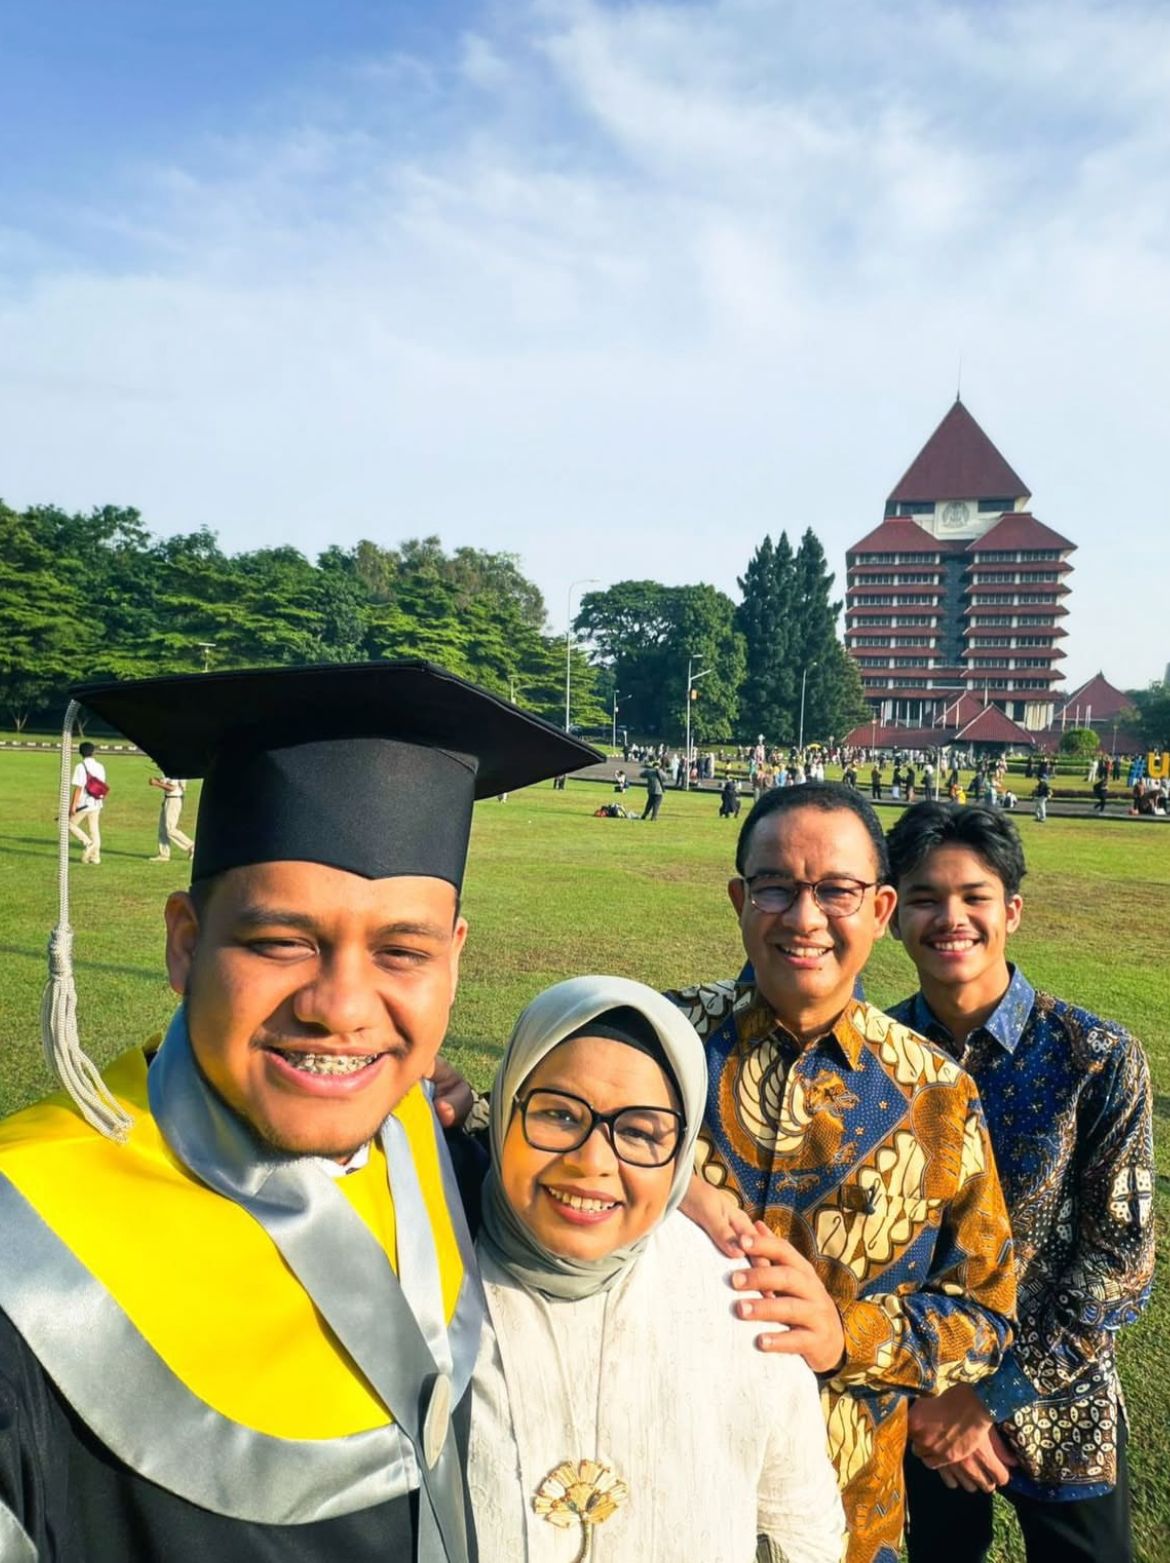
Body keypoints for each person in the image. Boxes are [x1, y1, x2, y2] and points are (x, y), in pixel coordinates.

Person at [0, 660, 597, 1563]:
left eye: (404, 950)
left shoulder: (418, 1145)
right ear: (184, 943)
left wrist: (691, 1207)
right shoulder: (24, 1250)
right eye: (282, 941)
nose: (341, 1006)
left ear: (455, 960)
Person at [667, 784, 1017, 1563]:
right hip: (664, 1486)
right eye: (776, 887)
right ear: (738, 897)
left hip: (847, 1508)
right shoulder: (652, 1048)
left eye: (837, 890)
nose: (804, 917)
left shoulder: (938, 1093)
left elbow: (987, 1316)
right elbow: (534, 1155)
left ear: (881, 908)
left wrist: (846, 1335)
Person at [468, 975, 845, 1563]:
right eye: (559, 1115)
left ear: (682, 1151)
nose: (591, 1163)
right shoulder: (423, 1277)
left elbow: (802, 1530)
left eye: (640, 1132)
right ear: (505, 1105)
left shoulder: (742, 1305)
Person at [885, 803, 1155, 1563]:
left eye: (974, 896)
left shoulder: (1096, 1057)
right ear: (891, 913)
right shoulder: (871, 1058)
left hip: (1062, 1398)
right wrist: (929, 1401)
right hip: (921, 1392)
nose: (950, 917)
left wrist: (990, 1396)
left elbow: (1119, 1263)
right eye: (925, 897)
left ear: (1013, 910)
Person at [68, 739, 106, 864]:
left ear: (80, 753)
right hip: (96, 802)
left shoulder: (80, 766)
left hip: (84, 803)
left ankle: (88, 843)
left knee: (69, 824)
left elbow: (79, 788)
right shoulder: (100, 766)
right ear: (93, 752)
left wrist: (73, 805)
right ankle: (95, 857)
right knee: (94, 829)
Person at [148, 774, 195, 862]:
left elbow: (172, 788)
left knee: (170, 829)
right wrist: (158, 780)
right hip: (169, 799)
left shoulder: (174, 772)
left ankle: (191, 846)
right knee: (163, 829)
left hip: (173, 800)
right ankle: (164, 854)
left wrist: (156, 784)